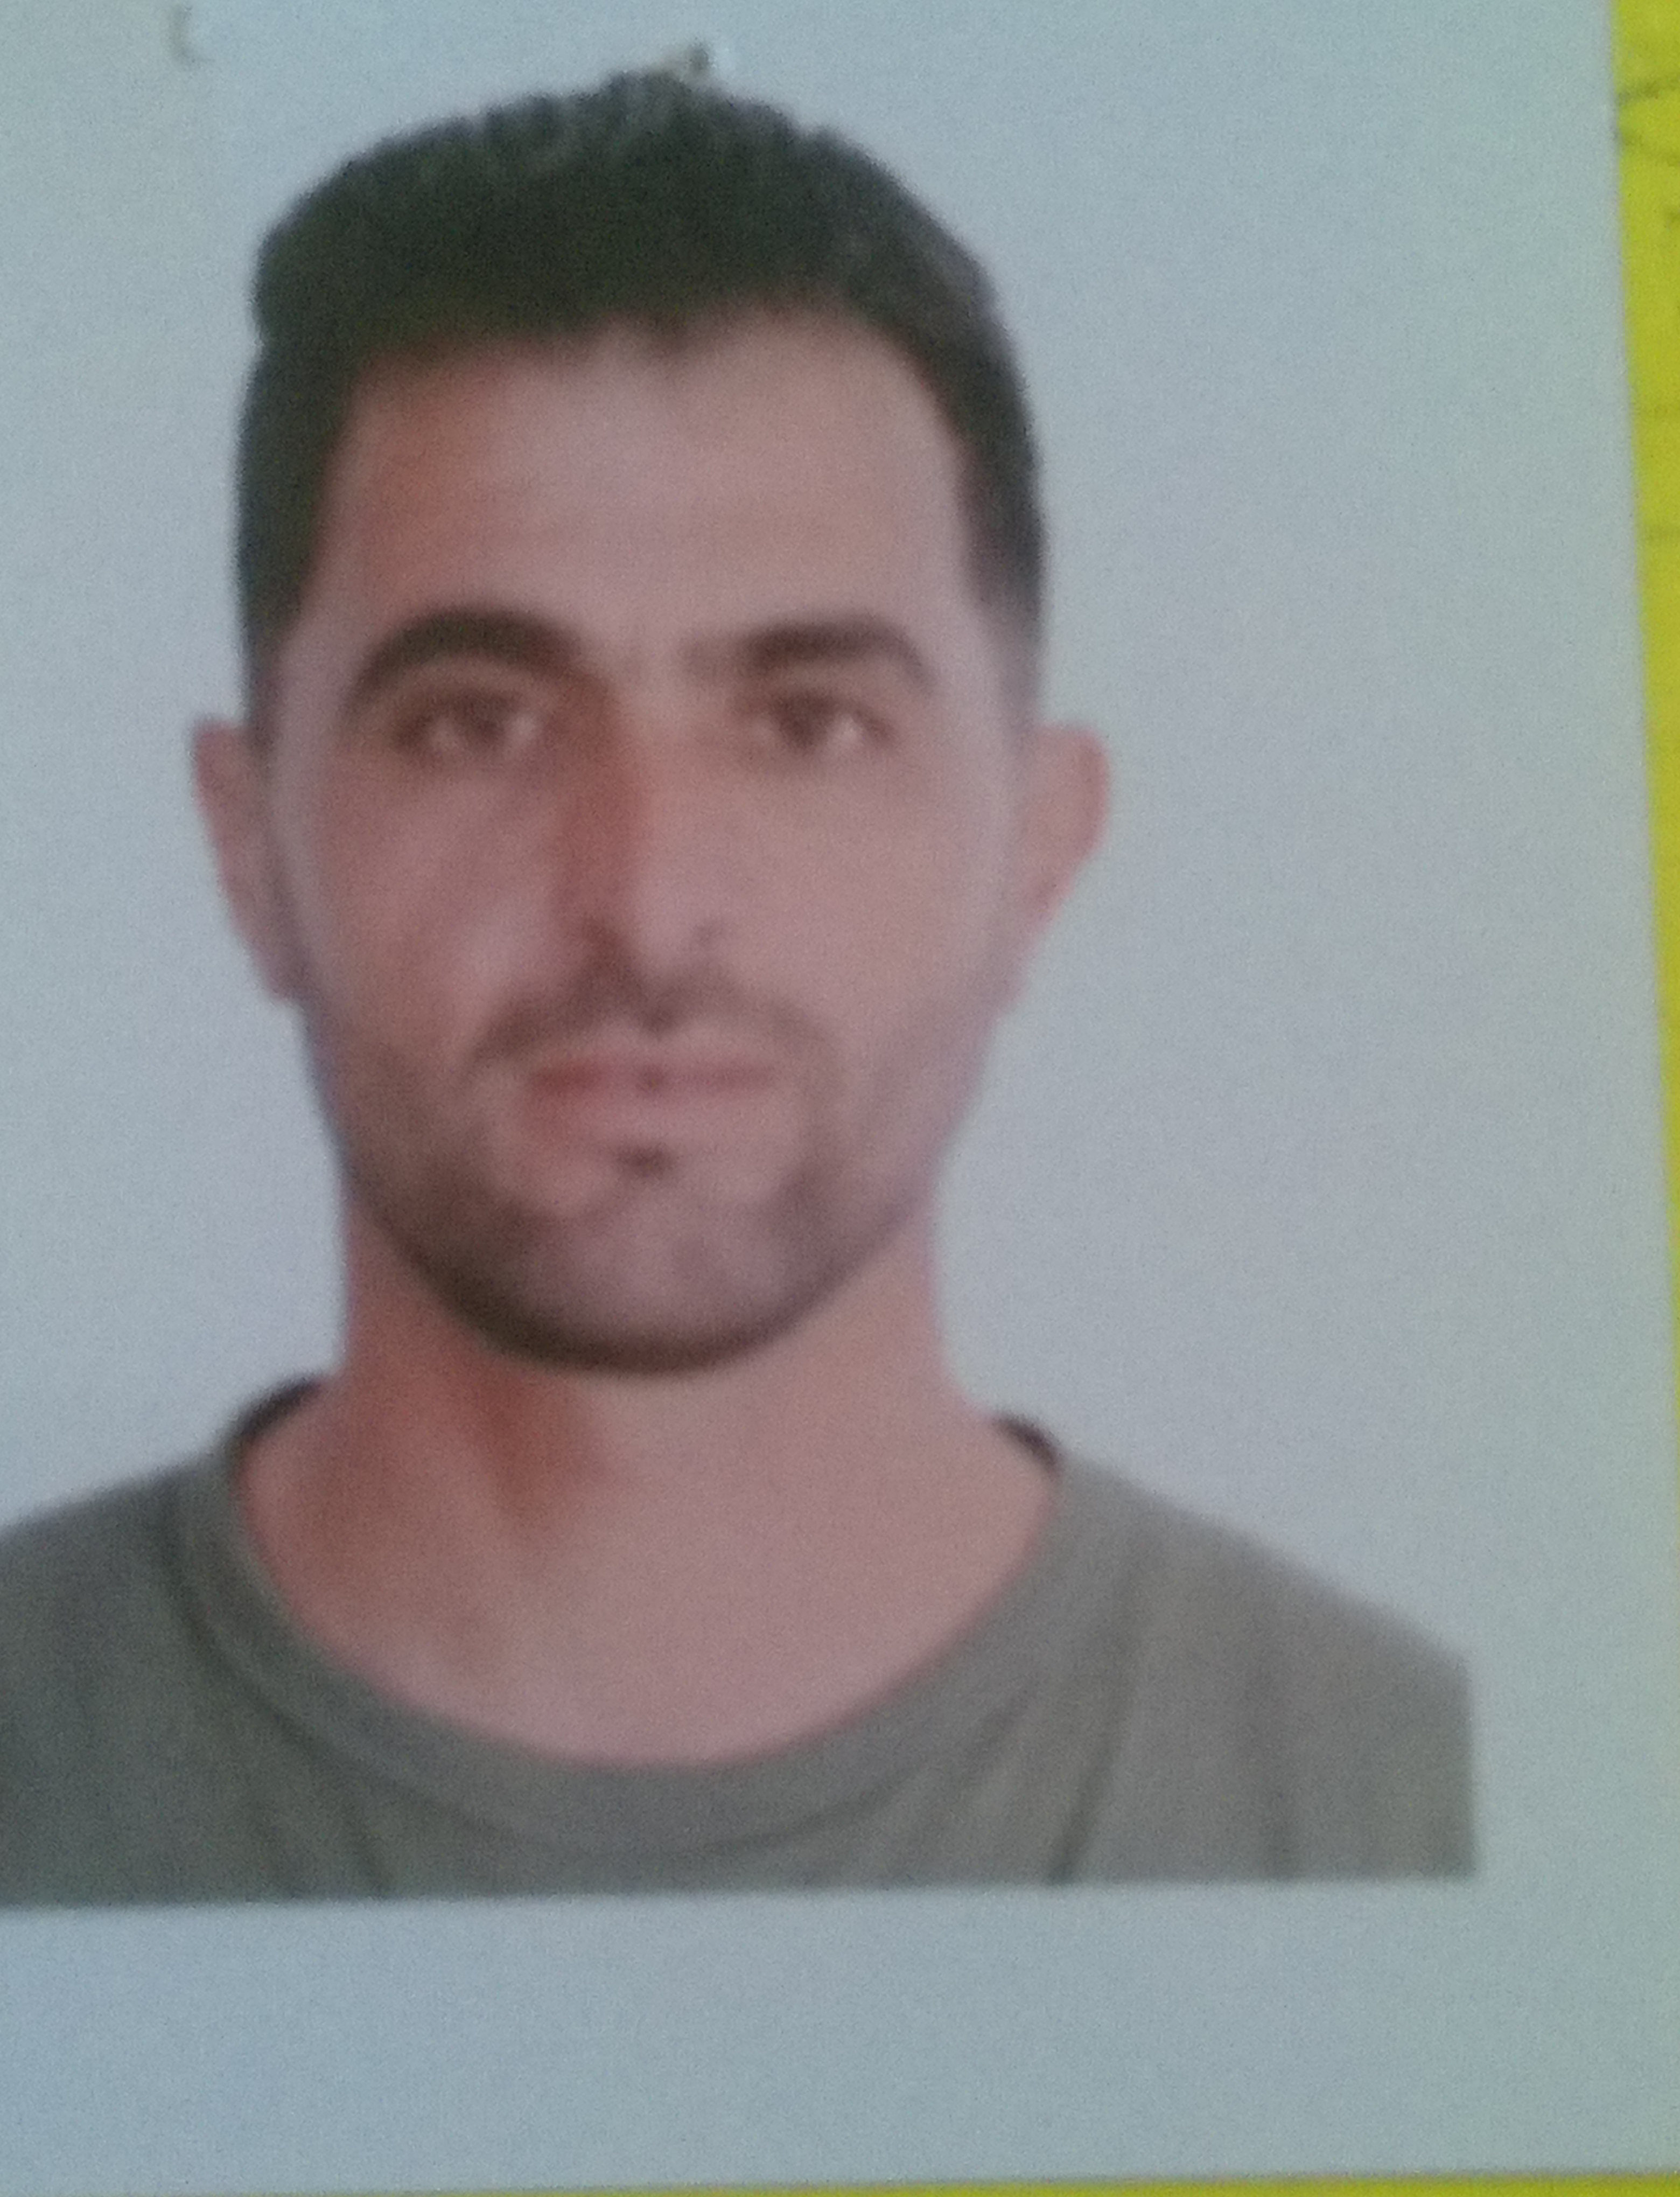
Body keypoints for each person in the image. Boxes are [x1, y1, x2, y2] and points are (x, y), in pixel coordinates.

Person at [0, 72, 1470, 1903]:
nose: (646, 904)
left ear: (1041, 849)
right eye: (477, 722)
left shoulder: (1413, 1807)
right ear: (248, 848)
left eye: (808, 723)